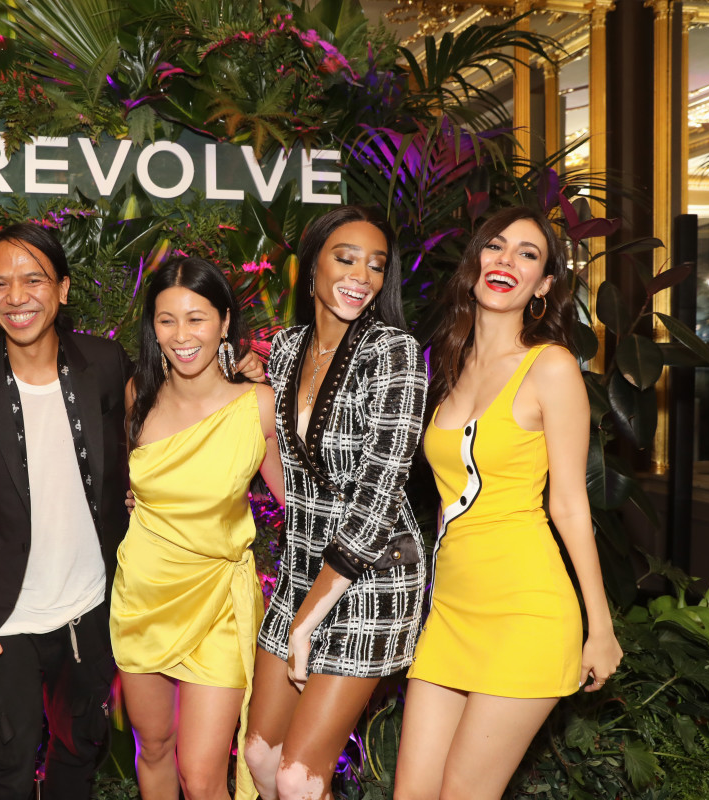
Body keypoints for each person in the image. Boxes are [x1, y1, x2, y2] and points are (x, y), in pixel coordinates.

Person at [393, 206, 623, 800]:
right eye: (495, 246)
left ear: (543, 286)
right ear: (475, 262)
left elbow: (570, 505)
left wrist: (599, 627)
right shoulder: (449, 364)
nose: (506, 261)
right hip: (451, 610)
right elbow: (447, 499)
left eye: (528, 254)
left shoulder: (550, 367)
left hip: (525, 610)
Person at [0, 222, 131, 800]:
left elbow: (150, 429)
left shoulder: (105, 363)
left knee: (78, 754)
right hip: (0, 616)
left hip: (91, 605)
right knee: (5, 767)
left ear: (62, 288)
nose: (16, 297)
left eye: (33, 280)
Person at [243, 206, 428, 800]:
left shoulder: (394, 352)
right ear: (312, 265)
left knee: (298, 778)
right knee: (261, 758)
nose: (361, 276)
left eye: (376, 265)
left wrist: (308, 619)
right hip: (301, 569)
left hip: (373, 575)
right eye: (345, 258)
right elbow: (290, 470)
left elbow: (377, 496)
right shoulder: (286, 348)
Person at [111, 258, 284, 800]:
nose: (182, 336)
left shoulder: (257, 405)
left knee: (202, 775)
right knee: (154, 747)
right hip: (145, 598)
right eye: (167, 320)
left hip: (220, 603)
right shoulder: (138, 395)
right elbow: (132, 485)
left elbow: (301, 504)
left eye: (197, 318)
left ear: (224, 322)